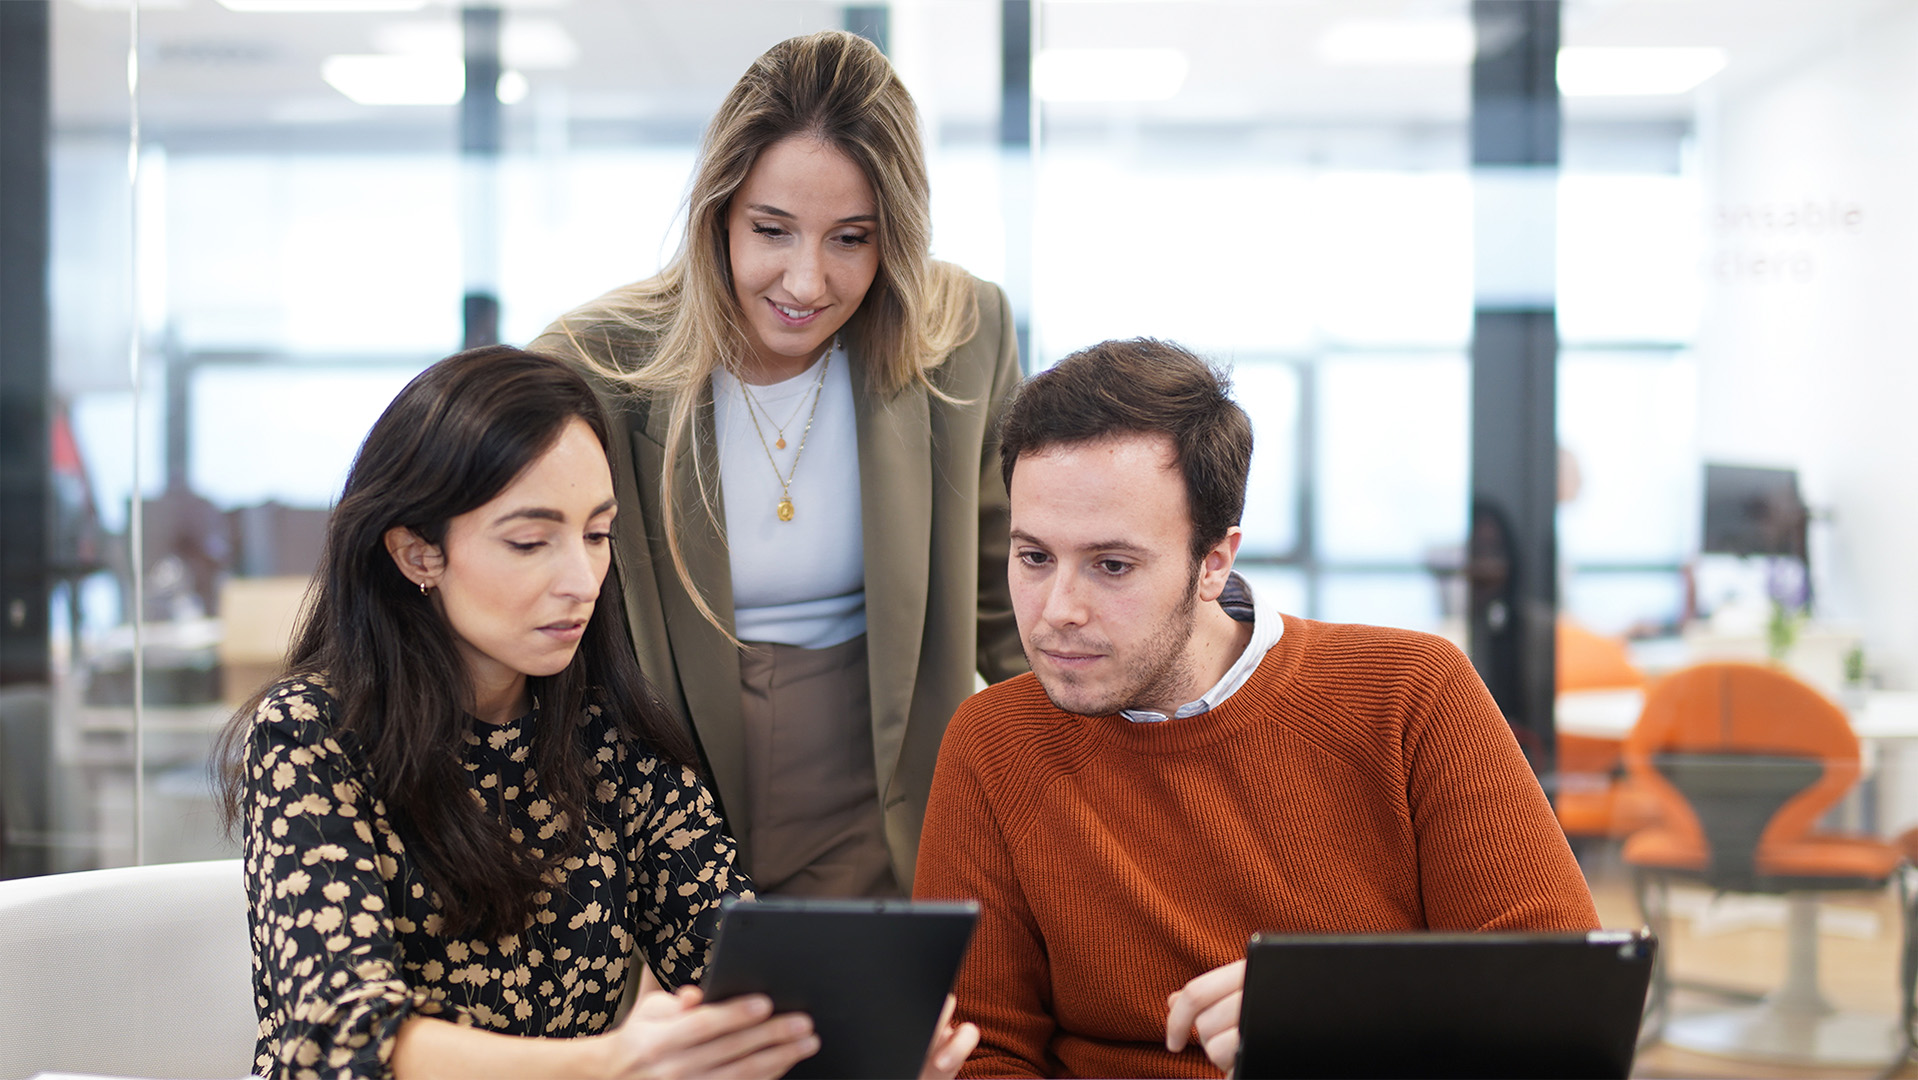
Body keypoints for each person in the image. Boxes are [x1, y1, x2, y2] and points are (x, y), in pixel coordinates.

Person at [214, 346, 976, 1080]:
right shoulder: (309, 735)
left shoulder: (608, 736)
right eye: (530, 542)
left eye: (597, 534)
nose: (581, 578)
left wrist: (860, 1044)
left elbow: (735, 968)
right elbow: (340, 1039)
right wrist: (613, 1065)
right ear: (418, 554)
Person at [912, 339, 1600, 1078]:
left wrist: (1354, 1010)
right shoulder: (993, 740)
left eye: (1111, 565)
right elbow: (984, 1054)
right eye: (1034, 557)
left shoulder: (1409, 693)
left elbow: (1569, 1004)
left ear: (1214, 562)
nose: (1058, 610)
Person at [532, 29, 1024, 900]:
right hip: (656, 803)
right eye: (772, 231)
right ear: (718, 212)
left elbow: (1010, 599)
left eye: (851, 239)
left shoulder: (961, 333)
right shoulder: (595, 363)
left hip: (885, 805)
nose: (805, 282)